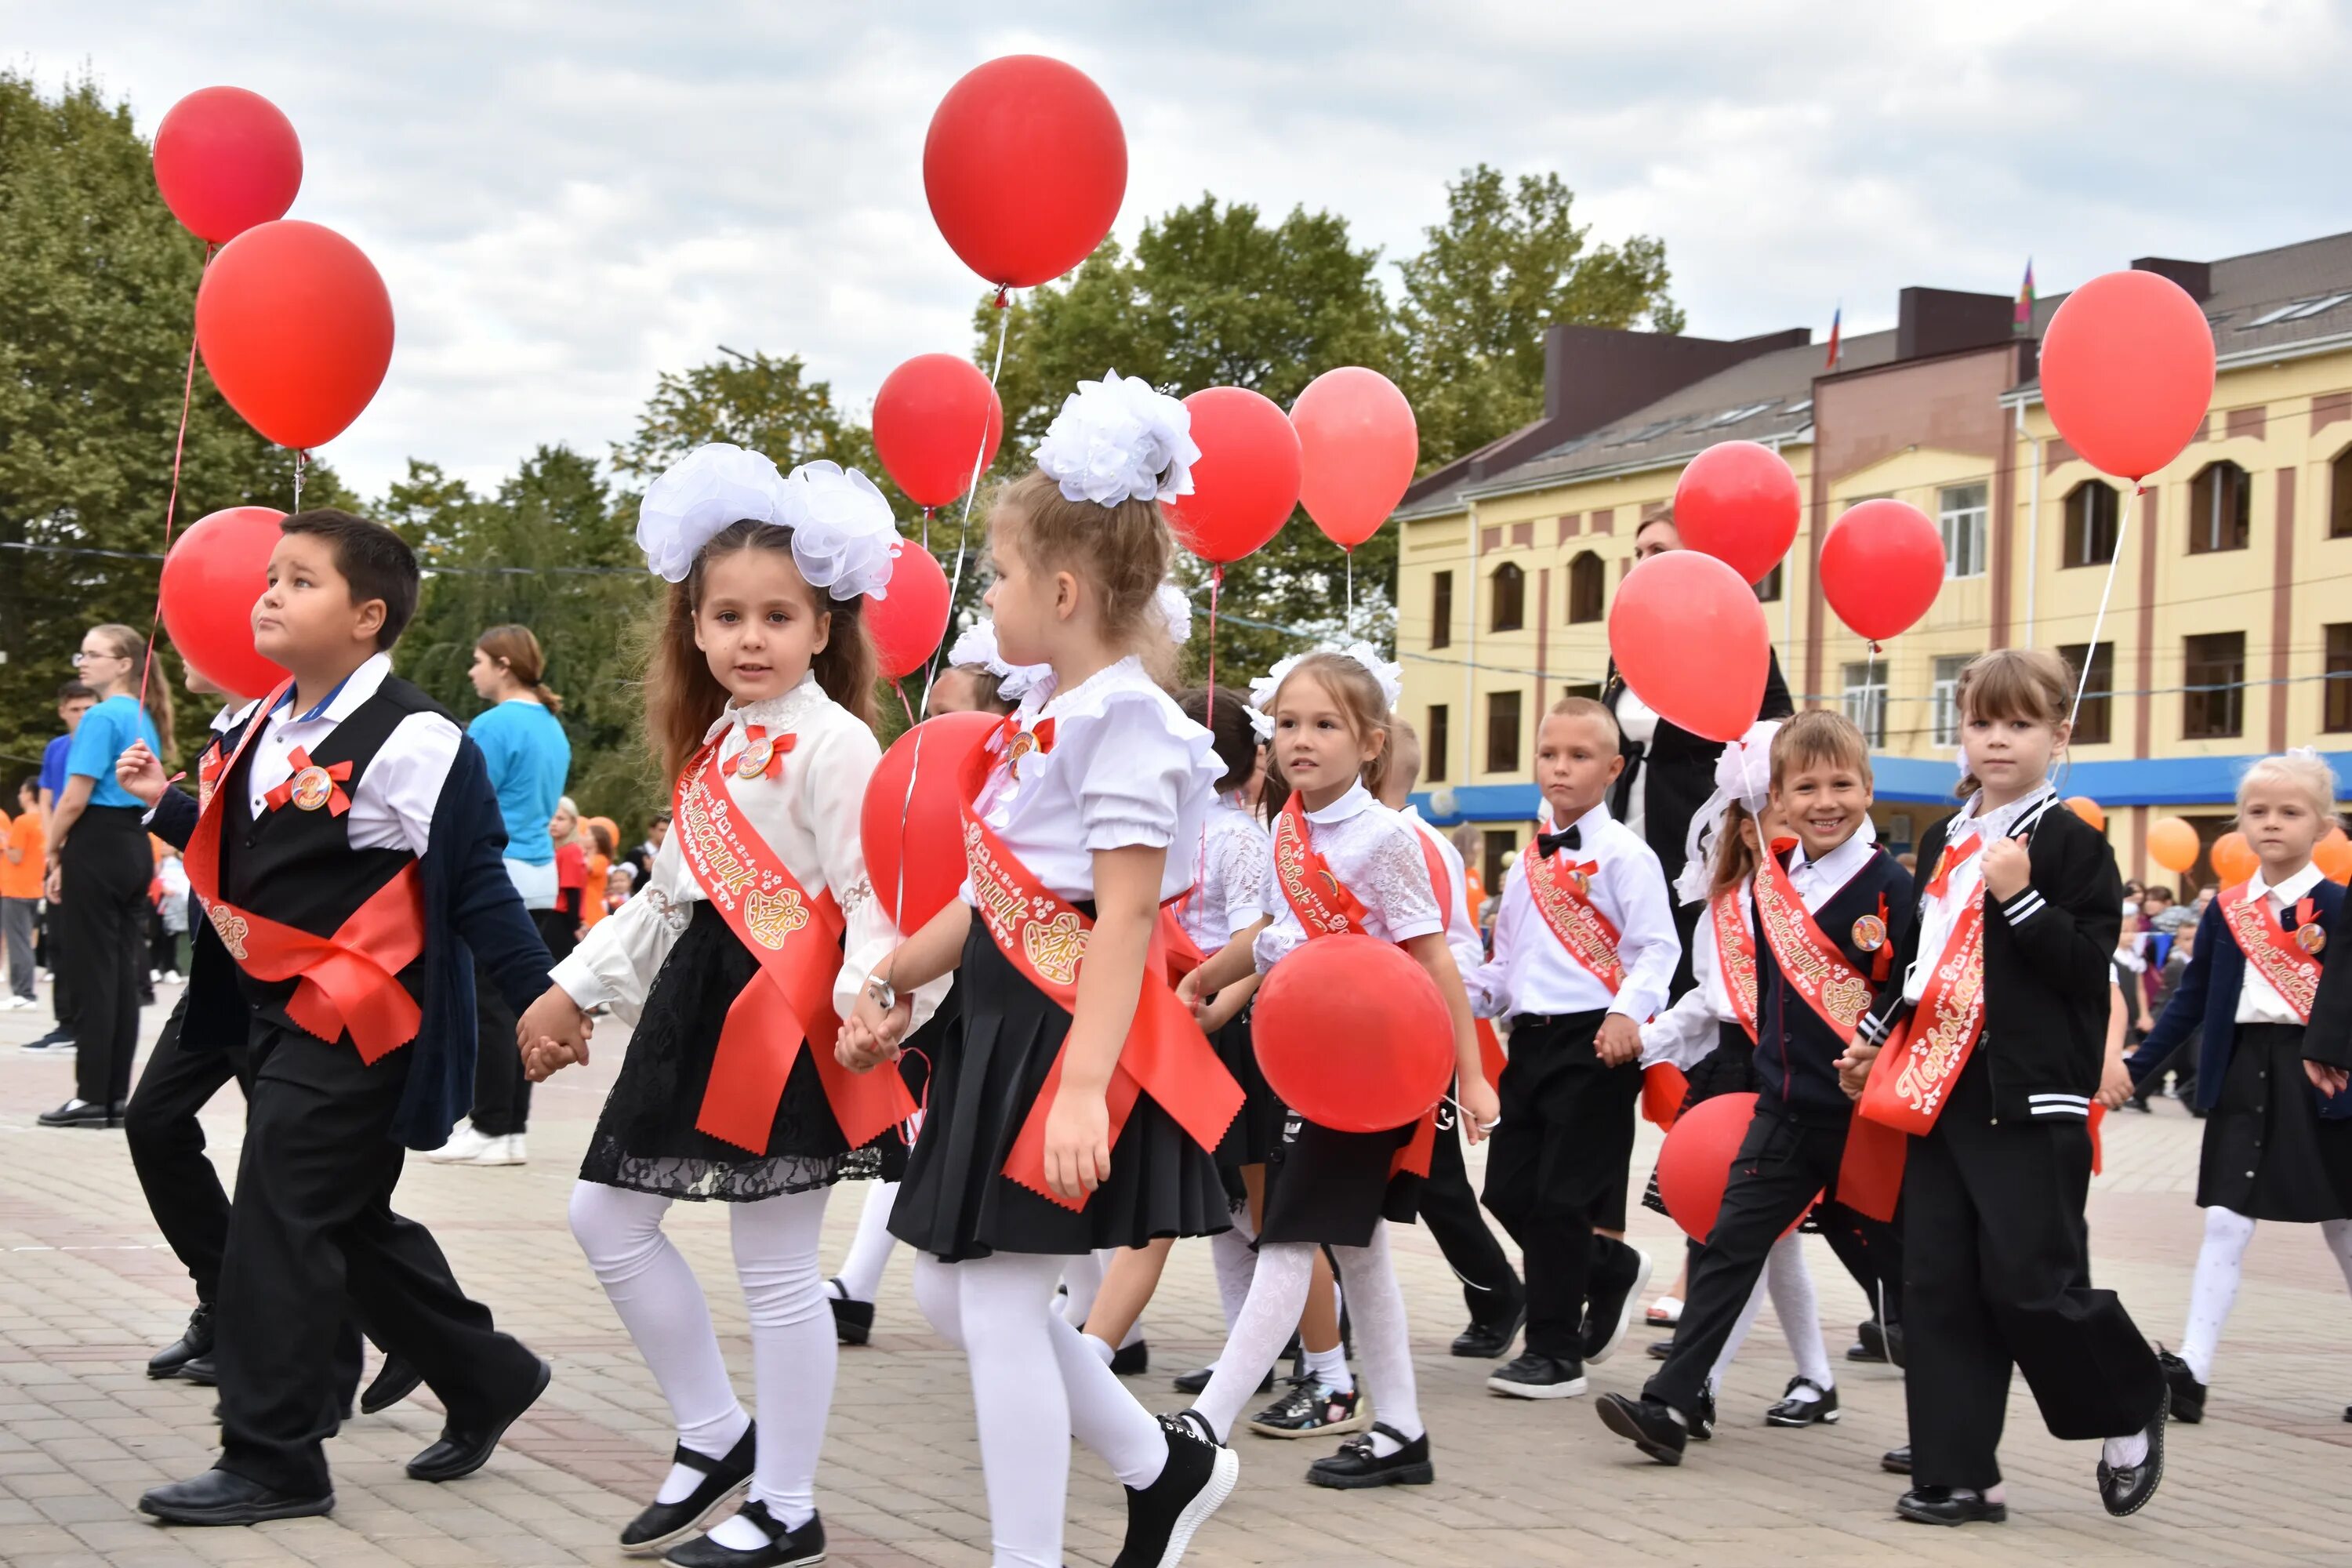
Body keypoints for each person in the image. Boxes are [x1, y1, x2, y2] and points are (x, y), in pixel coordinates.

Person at [840, 377, 1243, 1568]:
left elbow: (1120, 921)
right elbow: (990, 898)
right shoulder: (1042, 720)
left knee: (1006, 1304)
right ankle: (1163, 1468)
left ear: (1063, 592)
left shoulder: (1127, 727)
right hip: (1002, 1027)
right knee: (948, 1298)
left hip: (1074, 1037)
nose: (988, 598)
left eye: (1002, 577)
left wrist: (1080, 1086)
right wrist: (897, 980)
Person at [517, 447, 924, 1566]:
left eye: (777, 616)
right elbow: (666, 904)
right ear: (692, 628)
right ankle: (715, 1435)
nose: (751, 636)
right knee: (605, 1219)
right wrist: (572, 985)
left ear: (822, 629)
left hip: (791, 1016)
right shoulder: (710, 745)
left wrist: (871, 999)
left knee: (779, 1271)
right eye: (727, 615)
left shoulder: (838, 742)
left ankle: (787, 1504)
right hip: (702, 1002)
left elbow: (867, 896)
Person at [121, 508, 554, 1527]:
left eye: (299, 580)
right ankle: (487, 1375)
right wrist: (168, 807)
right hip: (270, 1009)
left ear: (368, 617)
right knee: (341, 1222)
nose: (269, 593)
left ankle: (277, 1456)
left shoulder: (415, 735)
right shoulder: (265, 724)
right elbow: (254, 861)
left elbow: (478, 886)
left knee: (280, 1213)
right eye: (269, 576)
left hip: (367, 1020)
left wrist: (543, 995)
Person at [1839, 647, 2166, 1526]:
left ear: (2058, 735)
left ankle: (2134, 1394)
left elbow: (2087, 967)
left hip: (2028, 1096)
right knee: (1939, 1285)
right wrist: (1874, 1040)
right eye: (1982, 721)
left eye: (2020, 724)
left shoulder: (2072, 842)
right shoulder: (1949, 835)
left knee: (2030, 1284)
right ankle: (1960, 1474)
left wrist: (2022, 899)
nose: (1997, 739)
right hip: (1939, 1093)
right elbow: (1919, 960)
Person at [1171, 645, 1497, 1494]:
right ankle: (1400, 1429)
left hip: (1374, 1069)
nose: (1300, 739)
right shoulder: (1287, 826)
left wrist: (1471, 1075)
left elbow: (1434, 960)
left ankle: (1204, 1423)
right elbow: (1277, 936)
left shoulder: (1389, 839)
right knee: (1357, 1254)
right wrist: (1215, 980)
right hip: (1307, 1058)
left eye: (1325, 724)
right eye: (1286, 723)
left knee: (1290, 1237)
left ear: (1372, 743)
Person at [1595, 712, 1909, 1461]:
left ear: (1868, 789)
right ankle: (1670, 1406)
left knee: (1904, 1270)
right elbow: (1750, 999)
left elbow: (1913, 988)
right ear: (1779, 798)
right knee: (1728, 1247)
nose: (1824, 801)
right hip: (1784, 1108)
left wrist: (1873, 1044)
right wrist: (1655, 1040)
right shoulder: (1773, 888)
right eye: (1804, 787)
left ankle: (1948, 1432)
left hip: (1866, 1118)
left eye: (1842, 784)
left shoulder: (1891, 885)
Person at [2128, 751, 2352, 1424]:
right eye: (2258, 812)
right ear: (2241, 825)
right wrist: (2133, 1071)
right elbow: (2189, 1005)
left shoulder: (2341, 906)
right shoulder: (2228, 912)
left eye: (2290, 812)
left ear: (2322, 825)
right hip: (2243, 1074)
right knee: (2226, 1220)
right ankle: (2192, 1371)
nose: (2272, 823)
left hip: (2321, 1078)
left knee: (2343, 1225)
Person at [1465, 696, 1678, 1399]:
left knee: (1562, 1202)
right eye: (1550, 753)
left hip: (1595, 1045)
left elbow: (1657, 950)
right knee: (1507, 1190)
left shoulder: (1626, 855)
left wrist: (1627, 1014)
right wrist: (1457, 986)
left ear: (1614, 769)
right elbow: (1509, 965)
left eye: (1580, 756)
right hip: (1529, 1043)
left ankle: (1555, 1353)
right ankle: (1607, 1270)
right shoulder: (1528, 861)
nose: (1561, 767)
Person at [825, 627, 1029, 1351]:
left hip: (1005, 1003)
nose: (926, 734)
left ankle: (1097, 1330)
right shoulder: (919, 793)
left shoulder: (1017, 809)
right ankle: (855, 1285)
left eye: (945, 716)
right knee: (921, 1137)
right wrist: (886, 985)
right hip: (943, 990)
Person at [1378, 719, 1526, 1361]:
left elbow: (1454, 947)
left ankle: (1499, 1295)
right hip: (1357, 1038)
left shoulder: (1418, 843)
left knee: (1435, 1182)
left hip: (1411, 1036)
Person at [1600, 515, 1794, 996]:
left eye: (1659, 552)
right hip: (1628, 819)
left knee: (1687, 962)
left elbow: (1780, 724)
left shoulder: (1732, 632)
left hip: (1696, 825)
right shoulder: (1627, 641)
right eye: (1639, 553)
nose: (1644, 564)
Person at [440, 625, 571, 1167]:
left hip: (497, 874)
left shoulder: (493, 725)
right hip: (540, 873)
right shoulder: (552, 727)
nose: (472, 673)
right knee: (522, 1005)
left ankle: (490, 1126)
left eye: (476, 662)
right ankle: (511, 1128)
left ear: (501, 665)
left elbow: (464, 799)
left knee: (488, 1009)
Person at [38, 625, 170, 1126]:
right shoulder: (141, 715)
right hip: (134, 843)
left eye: (94, 654)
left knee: (91, 973)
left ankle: (92, 1096)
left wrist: (52, 854)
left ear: (124, 665)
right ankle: (113, 1096)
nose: (82, 662)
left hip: (96, 842)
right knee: (118, 975)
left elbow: (74, 796)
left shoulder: (99, 717)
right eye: (83, 652)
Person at [3, 779, 43, 1008]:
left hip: (16, 888)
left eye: (21, 790)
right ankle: (25, 992)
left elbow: (16, 856)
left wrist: (6, 844)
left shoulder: (22, 821)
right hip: (34, 888)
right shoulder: (44, 821)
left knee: (18, 943)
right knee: (25, 941)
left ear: (29, 794)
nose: (19, 795)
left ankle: (23, 993)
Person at [627, 811, 671, 891]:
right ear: (651, 831)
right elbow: (629, 886)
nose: (665, 834)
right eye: (661, 830)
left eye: (668, 831)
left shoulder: (670, 855)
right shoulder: (636, 853)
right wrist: (646, 870)